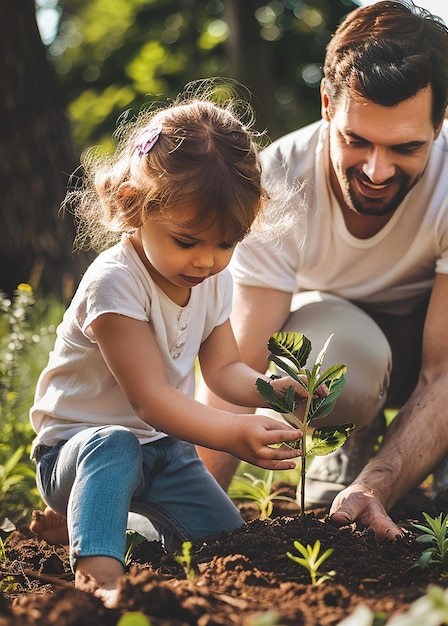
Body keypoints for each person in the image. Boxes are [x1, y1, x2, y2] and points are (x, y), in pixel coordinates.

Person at [197, 1, 448, 538]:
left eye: (405, 147)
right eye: (356, 140)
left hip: (442, 332)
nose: (376, 171)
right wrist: (190, 505)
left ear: (440, 123)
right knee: (341, 356)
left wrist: (377, 487)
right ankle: (349, 442)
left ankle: (446, 442)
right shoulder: (278, 178)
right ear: (325, 106)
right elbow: (241, 362)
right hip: (340, 349)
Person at [28, 85, 311, 606]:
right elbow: (149, 400)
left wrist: (270, 390)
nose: (207, 260)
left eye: (227, 243)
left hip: (162, 450)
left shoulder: (213, 281)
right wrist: (231, 432)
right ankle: (99, 586)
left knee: (225, 538)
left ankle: (98, 530)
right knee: (112, 444)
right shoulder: (115, 284)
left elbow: (223, 367)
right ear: (136, 208)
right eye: (188, 241)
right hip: (76, 452)